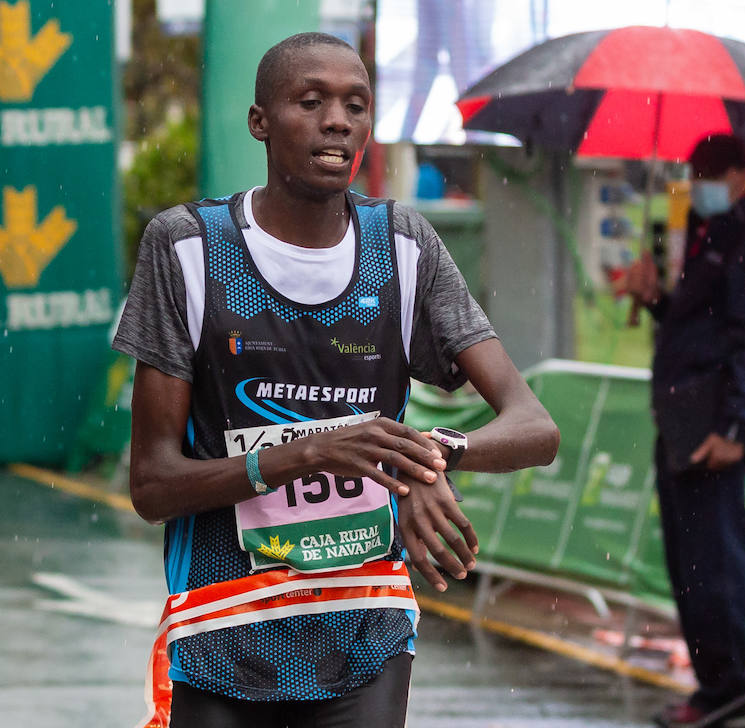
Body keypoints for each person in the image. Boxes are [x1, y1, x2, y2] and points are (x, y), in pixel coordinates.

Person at [114, 33, 559, 728]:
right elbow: (152, 485)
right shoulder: (188, 249)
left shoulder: (403, 247)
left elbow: (535, 427)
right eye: (311, 100)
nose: (337, 120)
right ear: (261, 121)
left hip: (365, 631)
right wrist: (309, 454)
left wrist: (429, 456)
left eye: (356, 104)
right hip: (221, 628)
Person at [623, 134, 745, 728]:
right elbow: (700, 325)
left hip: (713, 426)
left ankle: (727, 691)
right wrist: (658, 300)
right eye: (693, 174)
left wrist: (732, 429)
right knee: (687, 562)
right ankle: (710, 685)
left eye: (709, 175)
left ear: (740, 177)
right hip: (680, 418)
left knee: (715, 563)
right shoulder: (704, 233)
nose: (699, 186)